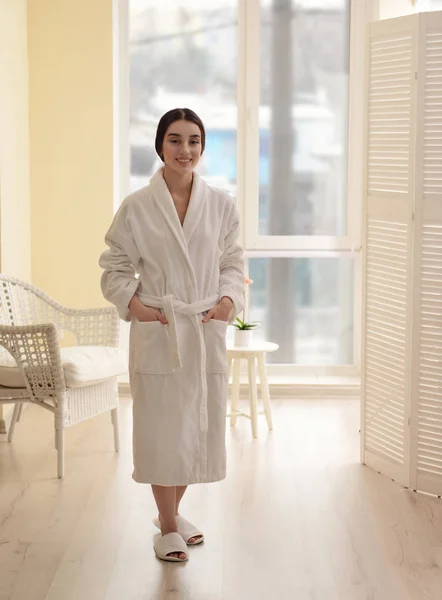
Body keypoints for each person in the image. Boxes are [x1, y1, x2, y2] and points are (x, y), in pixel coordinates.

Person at [99, 108, 244, 562]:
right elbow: (114, 263)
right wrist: (135, 304)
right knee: (164, 431)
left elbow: (233, 263)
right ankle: (166, 525)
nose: (186, 151)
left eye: (195, 141)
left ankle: (172, 517)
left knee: (195, 430)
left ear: (202, 147)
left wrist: (226, 302)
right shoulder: (138, 207)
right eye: (176, 140)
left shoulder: (221, 204)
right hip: (161, 328)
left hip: (203, 327)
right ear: (160, 145)